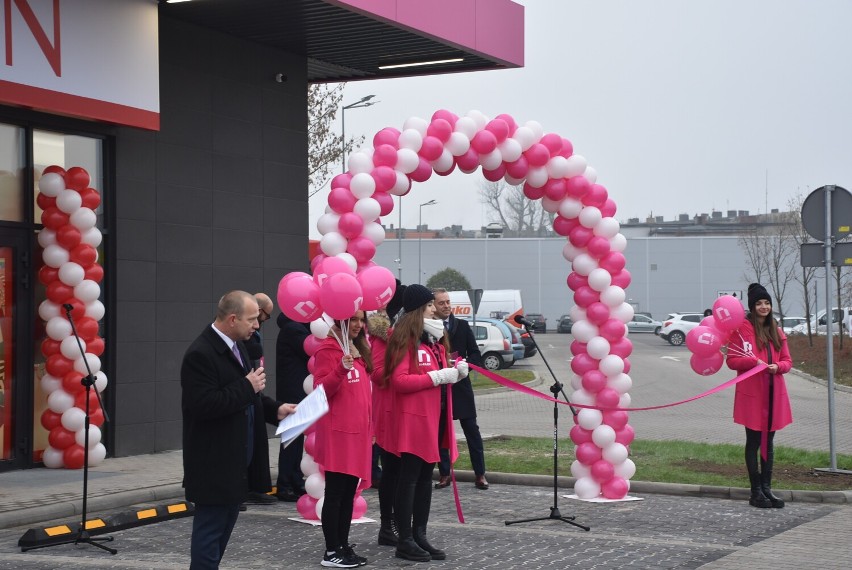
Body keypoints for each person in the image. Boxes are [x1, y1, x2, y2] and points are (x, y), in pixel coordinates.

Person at [181, 290, 296, 569]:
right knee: (209, 535)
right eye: (253, 319)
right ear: (232, 319)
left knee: (222, 533)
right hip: (212, 462)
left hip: (235, 461)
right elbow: (204, 405)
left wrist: (275, 409)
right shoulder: (201, 354)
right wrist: (247, 386)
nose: (257, 325)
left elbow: (249, 395)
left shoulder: (238, 345)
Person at [384, 284, 466, 562]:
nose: (436, 308)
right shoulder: (404, 339)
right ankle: (404, 539)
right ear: (419, 309)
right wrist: (438, 377)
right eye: (431, 305)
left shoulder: (432, 339)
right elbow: (399, 381)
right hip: (413, 420)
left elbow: (438, 374)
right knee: (409, 479)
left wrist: (455, 372)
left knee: (423, 479)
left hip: (434, 418)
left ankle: (419, 535)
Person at [313, 310, 373, 568]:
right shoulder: (328, 350)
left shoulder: (359, 350)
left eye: (362, 320)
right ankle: (331, 551)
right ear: (339, 322)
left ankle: (343, 545)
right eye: (354, 320)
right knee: (336, 493)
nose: (359, 325)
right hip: (339, 434)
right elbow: (320, 390)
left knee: (349, 493)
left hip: (357, 434)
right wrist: (339, 369)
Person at [726, 283, 793, 509]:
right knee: (754, 441)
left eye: (766, 303)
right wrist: (753, 362)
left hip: (774, 393)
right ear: (752, 307)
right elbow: (732, 361)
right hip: (753, 395)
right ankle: (755, 492)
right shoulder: (742, 330)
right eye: (759, 303)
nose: (763, 307)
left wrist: (778, 367)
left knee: (769, 442)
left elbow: (787, 360)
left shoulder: (776, 329)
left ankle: (767, 489)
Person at [432, 288, 489, 490]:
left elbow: (476, 356)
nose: (446, 306)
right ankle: (444, 474)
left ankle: (480, 474)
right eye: (441, 303)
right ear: (433, 306)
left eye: (448, 302)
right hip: (439, 388)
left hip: (461, 387)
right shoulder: (428, 328)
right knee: (440, 432)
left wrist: (463, 364)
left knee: (472, 430)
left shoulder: (463, 326)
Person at [366, 282, 406, 548]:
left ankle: (401, 523)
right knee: (392, 471)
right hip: (389, 410)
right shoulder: (383, 334)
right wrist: (405, 375)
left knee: (404, 472)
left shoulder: (409, 332)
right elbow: (377, 373)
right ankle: (387, 525)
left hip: (405, 410)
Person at [244, 292, 279, 505]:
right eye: (264, 316)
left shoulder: (253, 335)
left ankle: (254, 487)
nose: (259, 324)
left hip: (254, 391)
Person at [274, 310, 312, 502]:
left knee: (296, 443)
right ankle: (285, 485)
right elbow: (309, 349)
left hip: (296, 391)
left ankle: (295, 481)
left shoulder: (295, 328)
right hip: (292, 393)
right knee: (291, 442)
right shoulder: (293, 329)